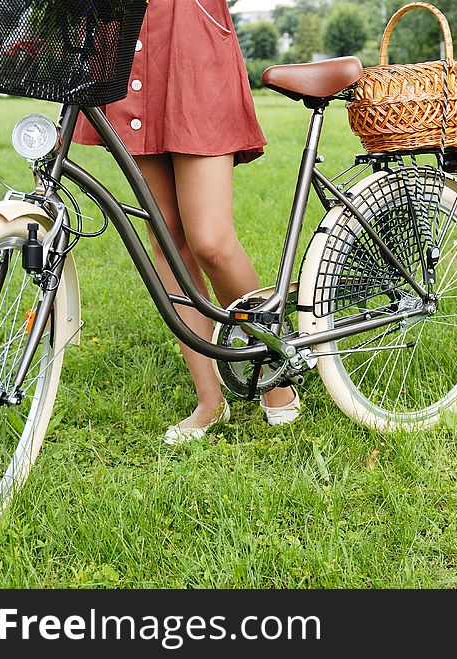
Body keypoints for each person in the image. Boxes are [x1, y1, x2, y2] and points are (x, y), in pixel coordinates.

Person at [74, 0, 299, 444]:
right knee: (166, 240)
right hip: (127, 41)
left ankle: (274, 375)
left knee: (210, 240)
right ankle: (210, 401)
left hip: (191, 48)